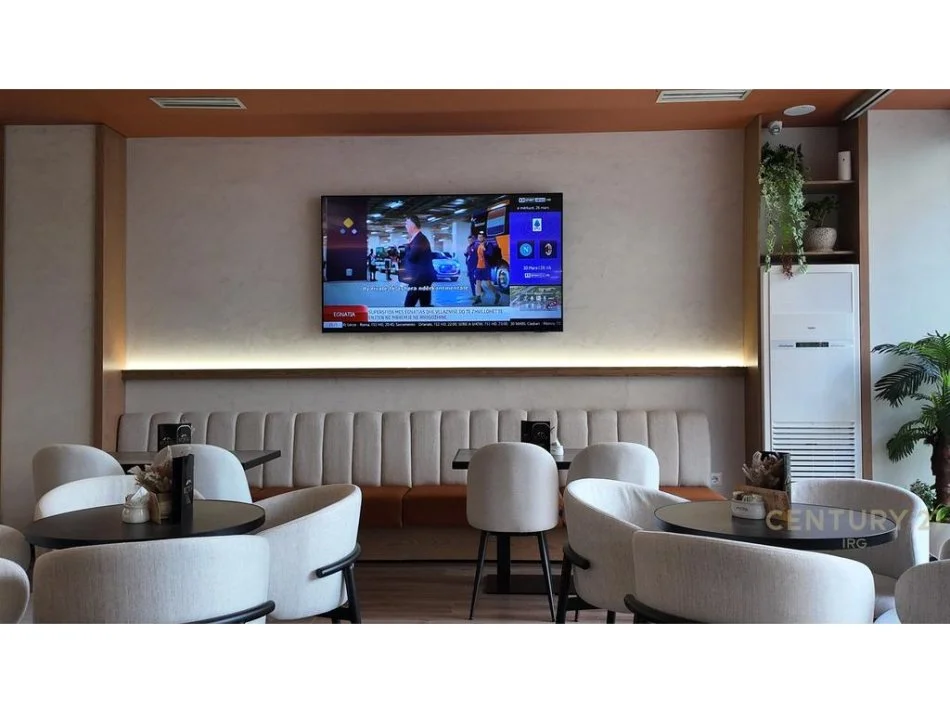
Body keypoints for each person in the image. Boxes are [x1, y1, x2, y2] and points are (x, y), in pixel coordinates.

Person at [402, 215, 437, 307]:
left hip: (419, 279)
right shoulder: (419, 238)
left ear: (413, 225)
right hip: (423, 278)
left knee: (408, 305)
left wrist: (407, 246)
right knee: (425, 304)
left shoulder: (419, 239)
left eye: (407, 223)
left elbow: (411, 257)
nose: (405, 226)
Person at [473, 232, 500, 305]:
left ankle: (497, 294)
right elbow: (477, 256)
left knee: (488, 284)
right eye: (478, 237)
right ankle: (478, 298)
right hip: (479, 267)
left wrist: (484, 249)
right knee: (477, 282)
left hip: (486, 267)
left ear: (484, 238)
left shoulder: (488, 244)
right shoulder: (478, 245)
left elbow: (490, 254)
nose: (479, 239)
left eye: (481, 237)